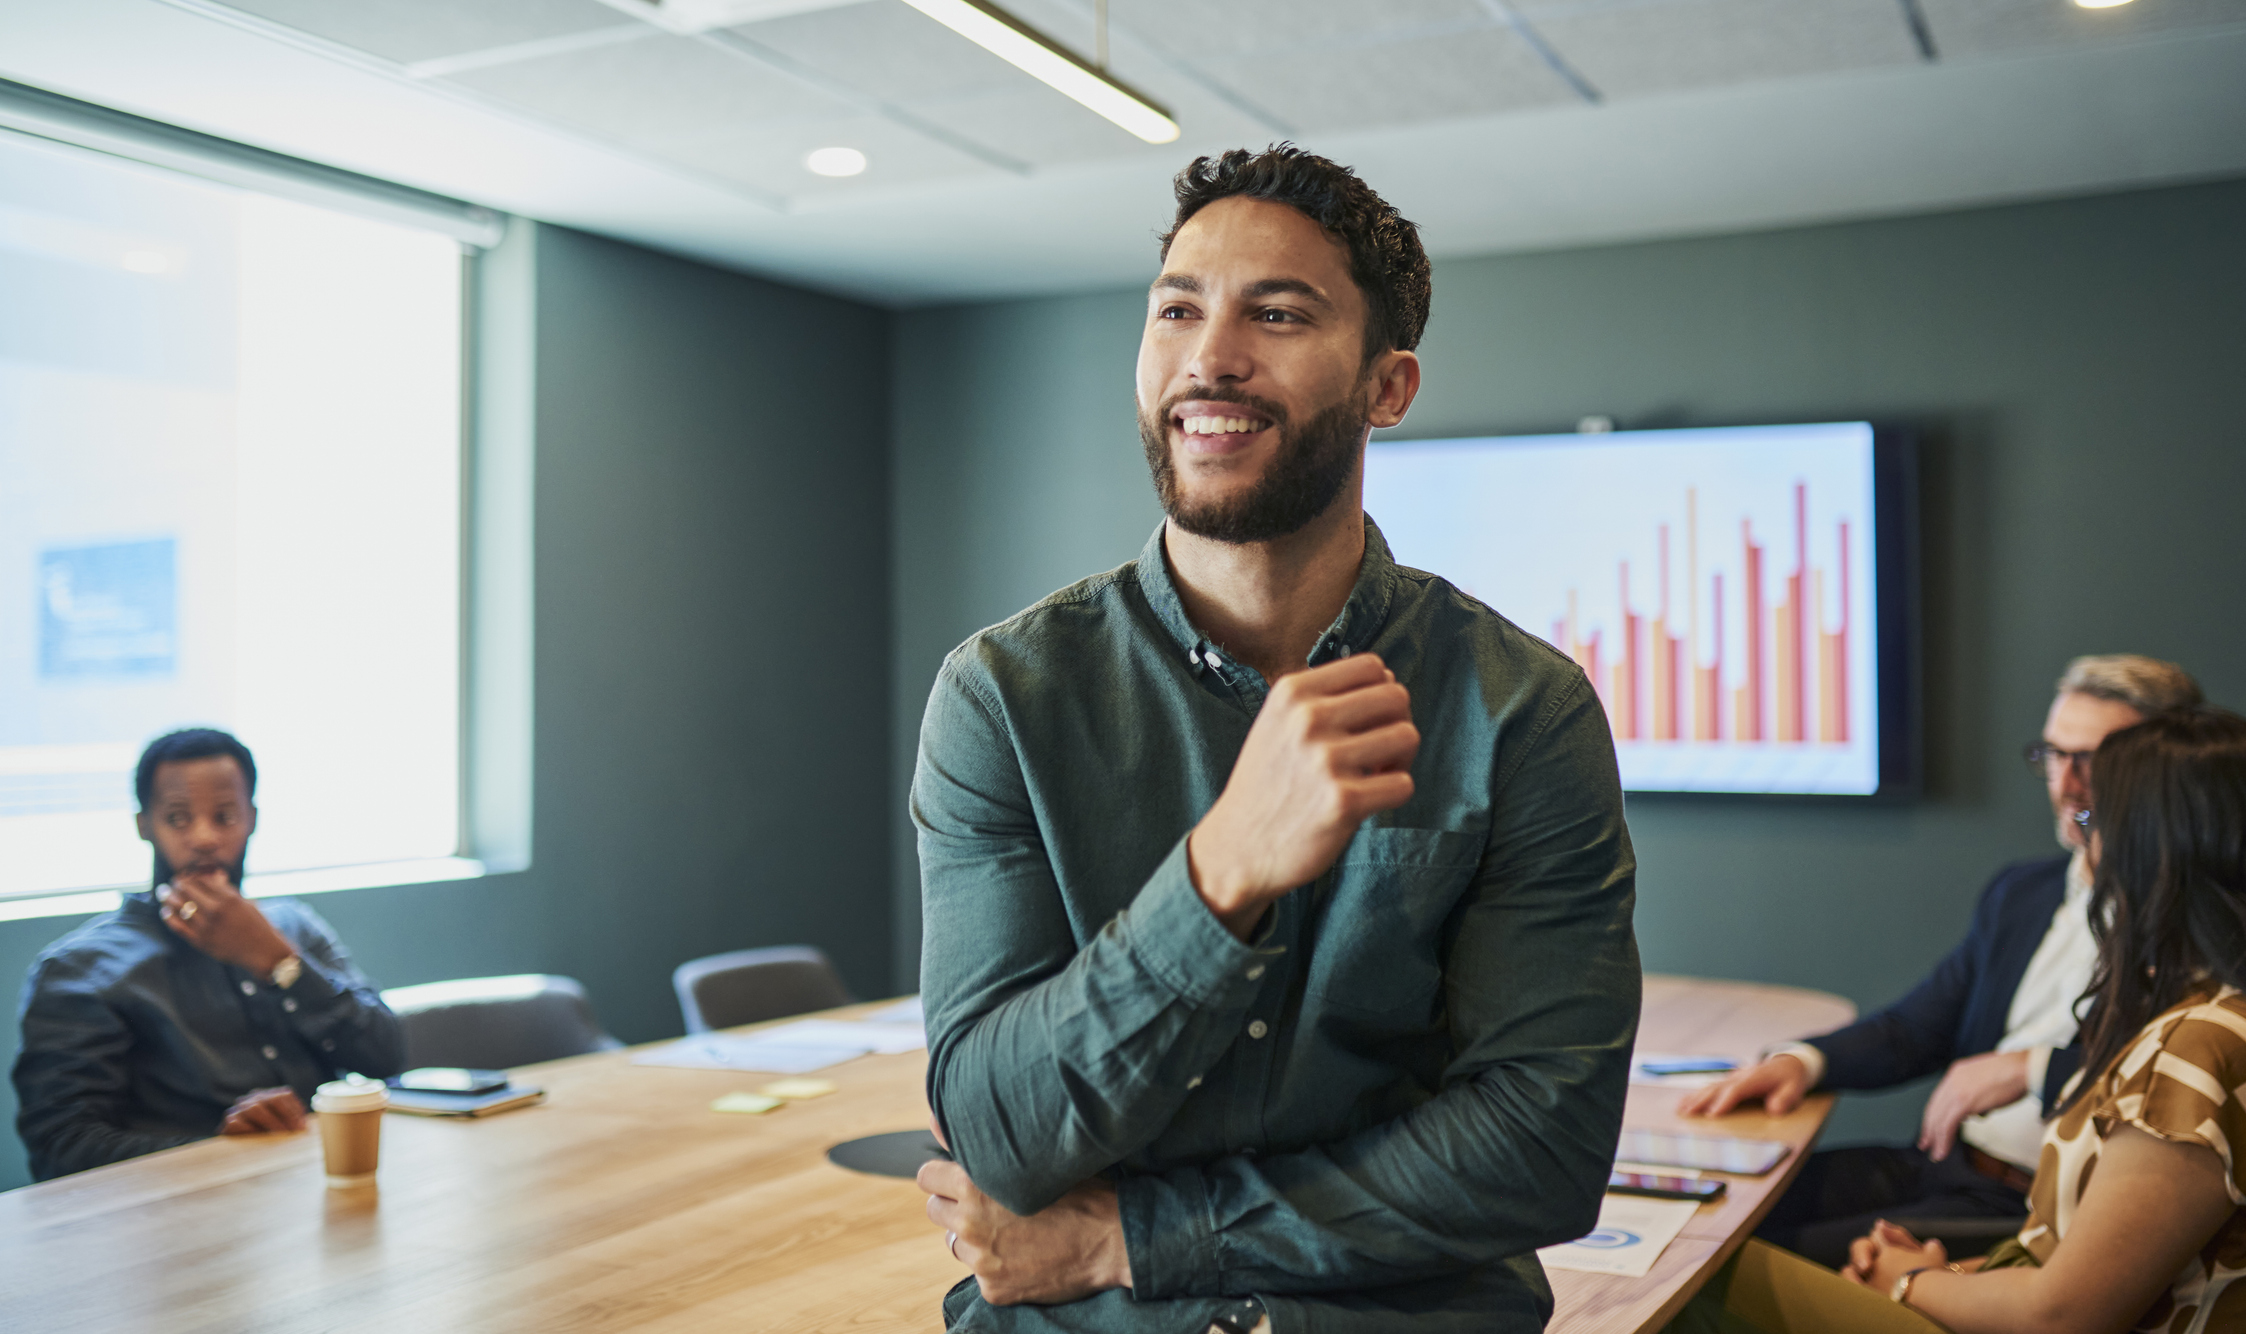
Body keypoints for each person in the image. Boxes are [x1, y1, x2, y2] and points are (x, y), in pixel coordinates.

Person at [910, 145, 1640, 1334]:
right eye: (1177, 309)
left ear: (1386, 387)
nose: (1209, 356)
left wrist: (1134, 1236)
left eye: (1279, 312)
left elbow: (1538, 1145)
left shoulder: (1521, 709)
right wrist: (1219, 878)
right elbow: (997, 1128)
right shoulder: (1001, 697)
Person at [1671, 704, 2246, 1334]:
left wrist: (1911, 1283)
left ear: (2153, 855)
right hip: (1991, 1240)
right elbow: (2062, 1259)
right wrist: (1950, 1276)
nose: (2084, 830)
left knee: (1696, 1275)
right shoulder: (2191, 1012)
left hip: (2021, 1277)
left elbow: (2063, 1314)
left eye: (2100, 818)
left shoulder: (2198, 1049)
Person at [13, 728, 405, 1180]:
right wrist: (220, 1148)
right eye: (178, 818)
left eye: (224, 816)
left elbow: (385, 1057)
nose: (203, 838)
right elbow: (60, 1148)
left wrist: (281, 963)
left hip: (321, 1186)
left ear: (252, 818)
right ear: (144, 825)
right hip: (176, 1223)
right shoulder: (81, 969)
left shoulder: (294, 928)